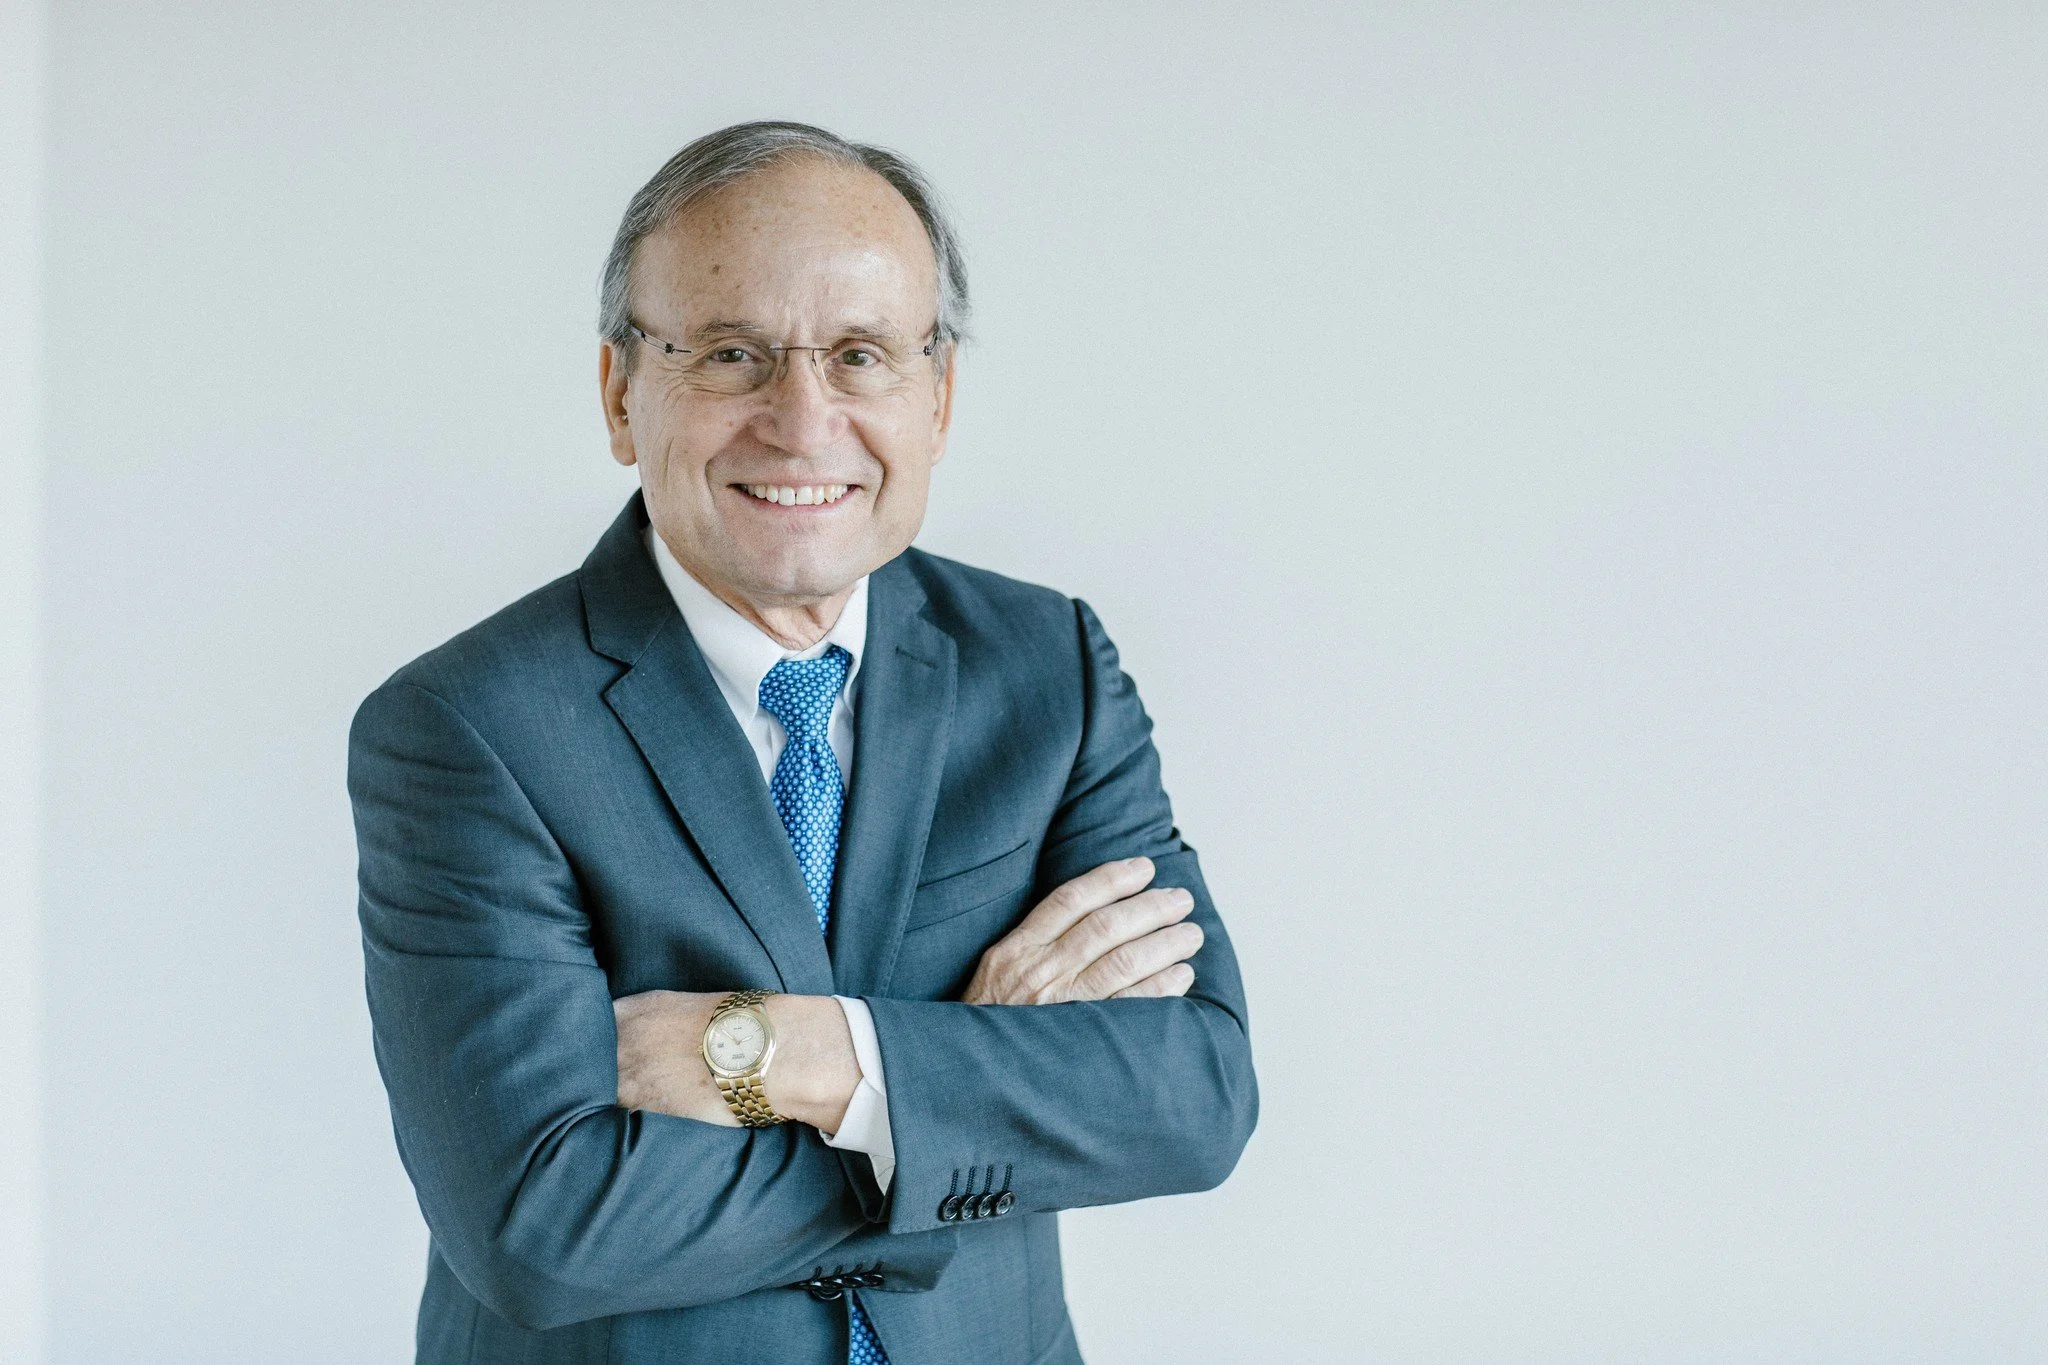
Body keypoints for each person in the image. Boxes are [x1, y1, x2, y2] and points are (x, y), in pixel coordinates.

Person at [347, 120, 1258, 1365]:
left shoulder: (1050, 666)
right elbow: (541, 1227)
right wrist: (967, 1082)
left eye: (861, 356)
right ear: (621, 393)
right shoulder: (467, 727)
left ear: (935, 400)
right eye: (730, 355)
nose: (801, 419)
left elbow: (1193, 1094)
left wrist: (816, 1058)